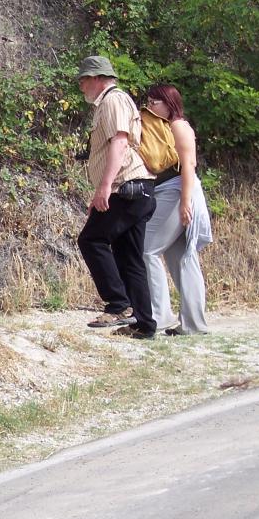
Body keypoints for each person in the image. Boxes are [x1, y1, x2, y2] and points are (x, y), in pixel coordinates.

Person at [75, 56, 157, 339]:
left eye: (84, 79)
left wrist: (105, 186)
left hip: (126, 187)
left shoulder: (112, 100)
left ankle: (119, 304)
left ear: (98, 78)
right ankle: (145, 324)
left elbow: (120, 143)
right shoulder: (113, 101)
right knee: (129, 257)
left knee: (91, 239)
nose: (81, 85)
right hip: (137, 189)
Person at [141, 85, 212, 335]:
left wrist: (185, 202)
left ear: (169, 103)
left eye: (155, 102)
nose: (150, 106)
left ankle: (159, 316)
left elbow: (189, 165)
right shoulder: (162, 128)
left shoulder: (178, 126)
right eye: (148, 101)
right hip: (172, 191)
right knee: (180, 257)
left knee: (146, 249)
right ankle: (193, 324)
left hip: (177, 191)